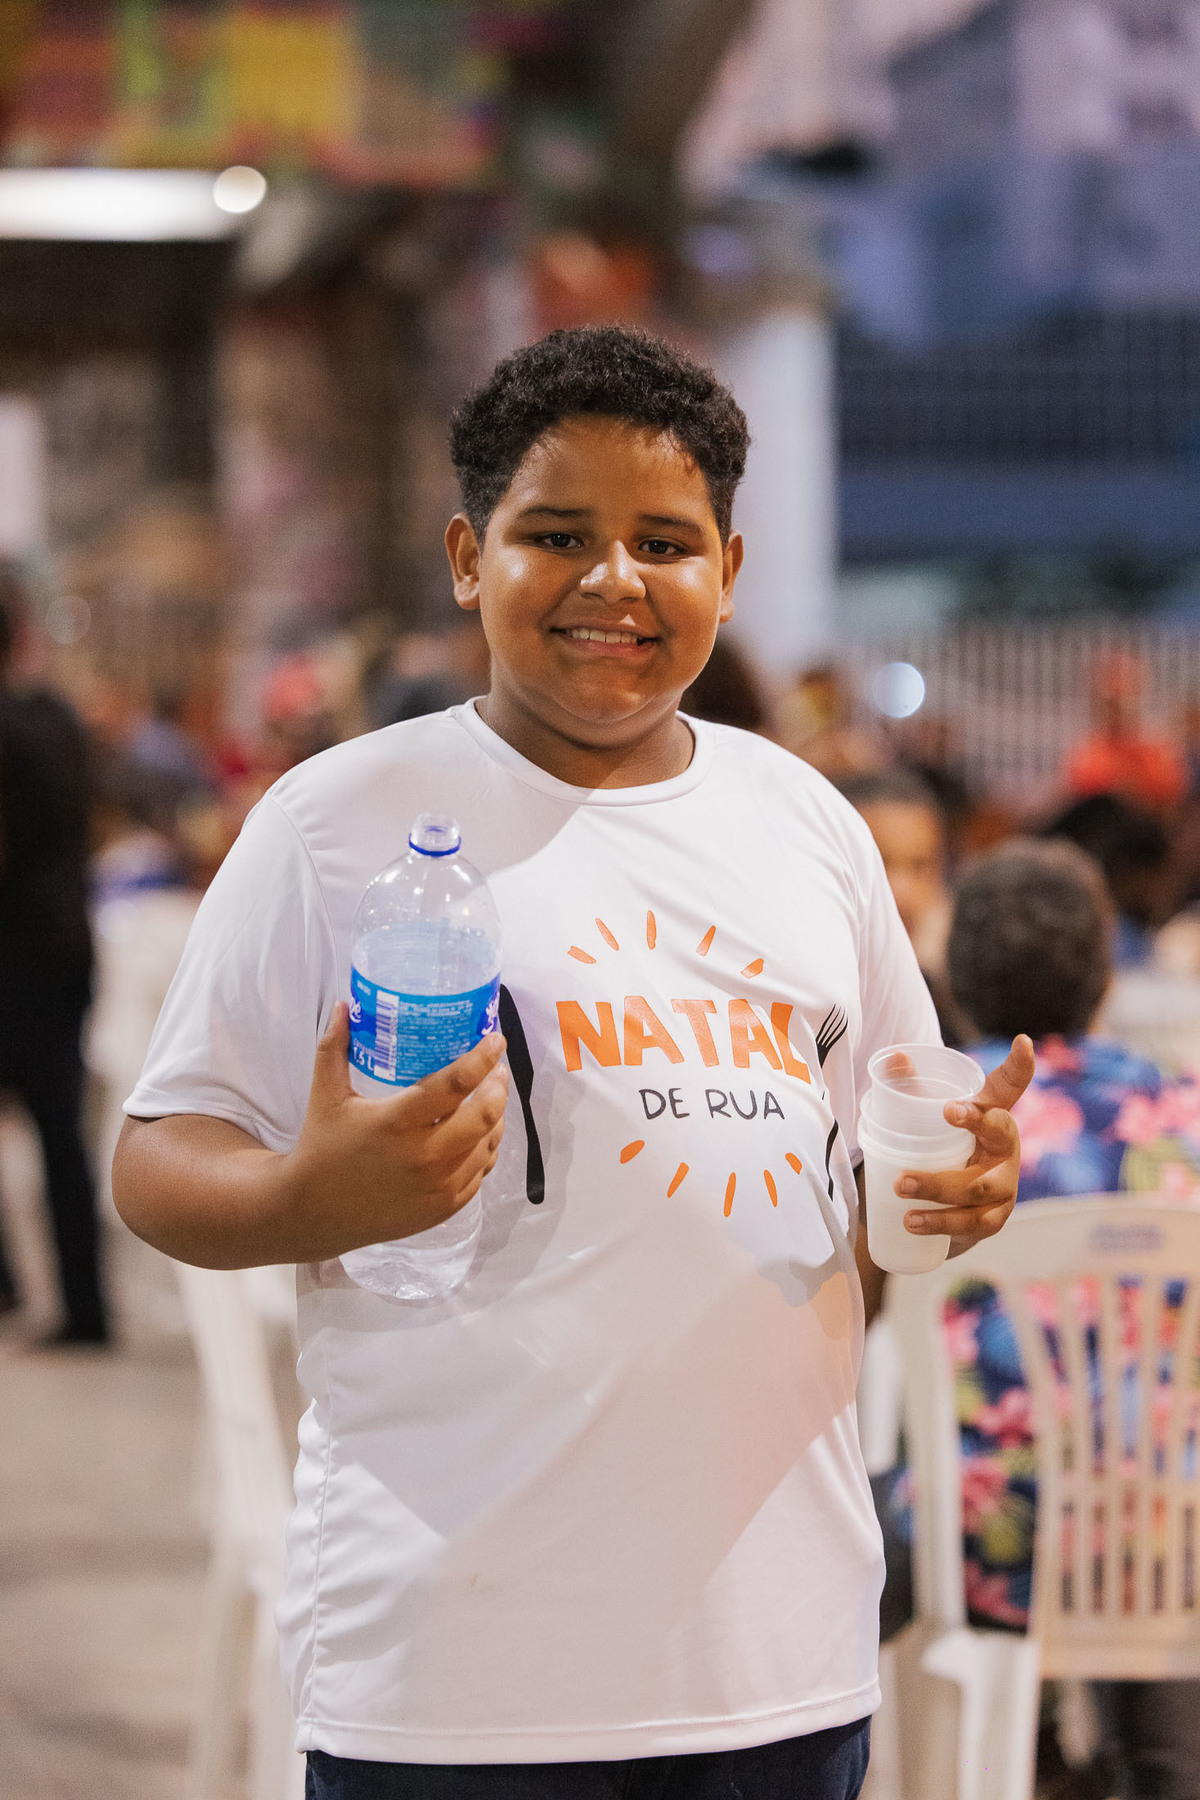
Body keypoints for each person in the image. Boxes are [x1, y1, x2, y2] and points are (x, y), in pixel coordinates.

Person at [112, 325, 1030, 1800]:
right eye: (558, 536)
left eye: (664, 543)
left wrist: (956, 1186)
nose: (615, 579)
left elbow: (875, 1172)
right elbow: (159, 1157)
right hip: (462, 1670)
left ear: (728, 570)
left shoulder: (808, 823)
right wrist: (309, 1197)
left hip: (776, 1653)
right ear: (469, 559)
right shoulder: (338, 821)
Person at [939, 840, 1197, 1800]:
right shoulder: (1184, 1111)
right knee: (1153, 1490)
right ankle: (1156, 1767)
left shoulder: (936, 1122)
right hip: (1172, 1536)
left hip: (984, 1541)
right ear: (1105, 979)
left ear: (958, 983)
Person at [0, 565, 109, 1345]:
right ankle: (85, 1305)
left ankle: (12, 1290)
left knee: (51, 1130)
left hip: (14, 951)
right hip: (68, 941)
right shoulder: (61, 717)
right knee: (62, 1131)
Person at [838, 771, 968, 1048]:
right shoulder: (795, 1001)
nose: (902, 893)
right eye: (880, 864)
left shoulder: (953, 1015)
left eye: (920, 866)